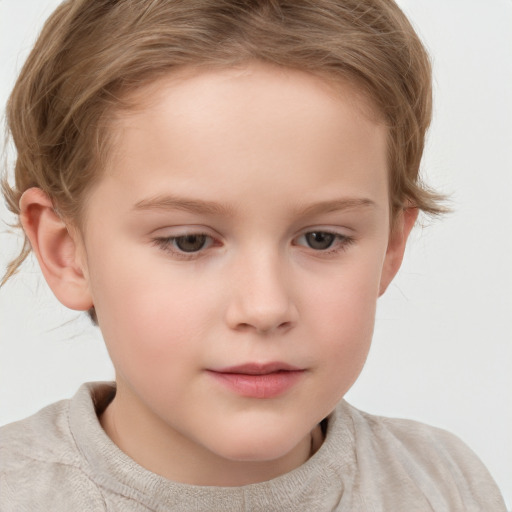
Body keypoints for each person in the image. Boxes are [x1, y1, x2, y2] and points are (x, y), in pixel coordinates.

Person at [0, 0, 507, 510]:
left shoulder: (445, 484)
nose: (265, 308)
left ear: (391, 245)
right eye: (189, 241)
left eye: (321, 239)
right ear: (66, 251)